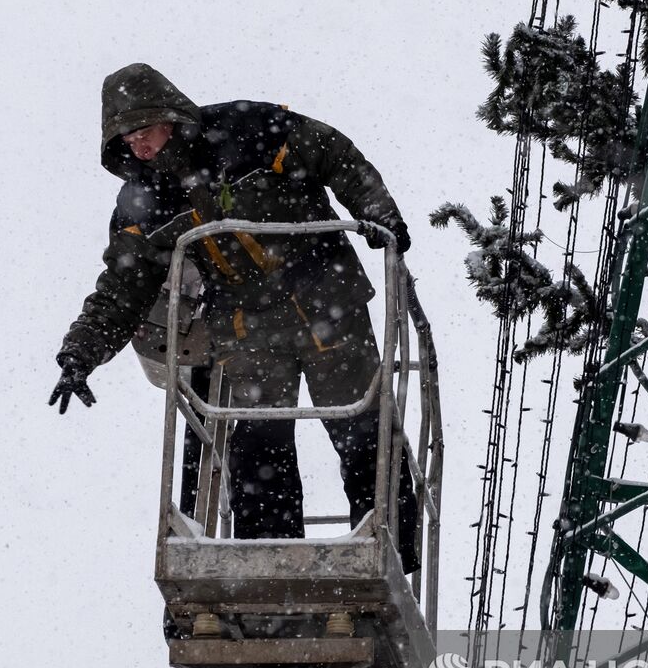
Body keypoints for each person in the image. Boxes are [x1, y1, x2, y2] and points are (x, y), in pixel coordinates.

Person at [50, 62, 419, 573]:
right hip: (248, 329)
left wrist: (379, 213)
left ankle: (393, 551)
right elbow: (123, 286)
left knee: (360, 424)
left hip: (324, 301)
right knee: (257, 450)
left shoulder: (250, 130)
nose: (138, 147)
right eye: (126, 140)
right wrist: (79, 354)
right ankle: (270, 568)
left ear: (168, 117)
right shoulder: (141, 203)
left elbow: (334, 154)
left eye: (142, 132)